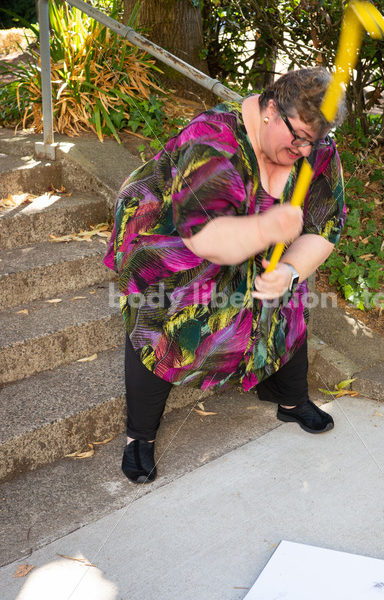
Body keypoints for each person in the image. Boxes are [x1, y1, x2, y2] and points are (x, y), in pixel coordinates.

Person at [104, 67, 346, 483]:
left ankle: (289, 399)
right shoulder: (211, 139)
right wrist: (269, 228)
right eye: (299, 137)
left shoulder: (315, 144)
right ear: (271, 109)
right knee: (165, 322)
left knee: (285, 300)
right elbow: (206, 240)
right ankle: (138, 436)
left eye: (316, 140)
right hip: (173, 238)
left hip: (249, 232)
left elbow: (326, 226)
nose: (307, 150)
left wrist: (289, 270)